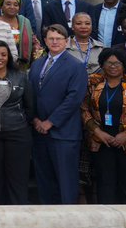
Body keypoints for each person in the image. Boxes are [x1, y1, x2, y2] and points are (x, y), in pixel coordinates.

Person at [82, 46, 126, 205]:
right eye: (109, 63)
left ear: (124, 65)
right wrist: (97, 131)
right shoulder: (93, 82)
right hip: (102, 142)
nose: (113, 66)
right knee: (105, 185)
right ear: (102, 64)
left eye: (117, 63)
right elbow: (84, 109)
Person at [29, 24, 88, 204]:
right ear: (45, 41)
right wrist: (35, 119)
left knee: (66, 182)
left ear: (66, 41)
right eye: (51, 38)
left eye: (59, 39)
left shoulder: (76, 66)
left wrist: (51, 122)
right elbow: (30, 93)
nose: (54, 42)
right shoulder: (37, 63)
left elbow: (74, 99)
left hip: (63, 134)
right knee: (45, 181)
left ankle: (68, 221)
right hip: (39, 133)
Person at [0, 41, 33, 205]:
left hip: (17, 134)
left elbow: (30, 106)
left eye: (3, 55)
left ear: (9, 57)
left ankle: (19, 216)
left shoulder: (20, 76)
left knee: (17, 178)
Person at [0, 0, 34, 67]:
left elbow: (32, 40)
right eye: (8, 4)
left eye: (16, 5)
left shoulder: (25, 22)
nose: (12, 7)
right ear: (1, 6)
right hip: (0, 63)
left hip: (22, 65)